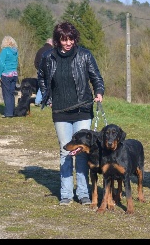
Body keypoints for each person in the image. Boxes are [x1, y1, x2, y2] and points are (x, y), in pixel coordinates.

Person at [37, 21, 104, 206]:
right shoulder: (48, 57)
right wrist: (47, 97)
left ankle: (83, 193)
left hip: (83, 109)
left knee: (81, 152)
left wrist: (99, 91)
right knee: (65, 151)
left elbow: (96, 77)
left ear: (75, 38)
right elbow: (41, 77)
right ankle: (66, 194)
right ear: (58, 40)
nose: (68, 43)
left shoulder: (85, 55)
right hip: (60, 111)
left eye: (71, 39)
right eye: (64, 39)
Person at [0, 35, 19, 118]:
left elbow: (1, 63)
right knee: (11, 93)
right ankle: (12, 111)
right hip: (14, 74)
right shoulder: (15, 51)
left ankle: (8, 113)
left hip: (6, 74)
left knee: (6, 94)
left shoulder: (4, 51)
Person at [34, 38, 53, 106]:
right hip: (49, 71)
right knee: (49, 85)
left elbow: (36, 61)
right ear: (51, 43)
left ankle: (37, 101)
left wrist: (39, 68)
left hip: (40, 70)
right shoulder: (51, 50)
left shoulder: (40, 50)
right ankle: (48, 102)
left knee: (41, 85)